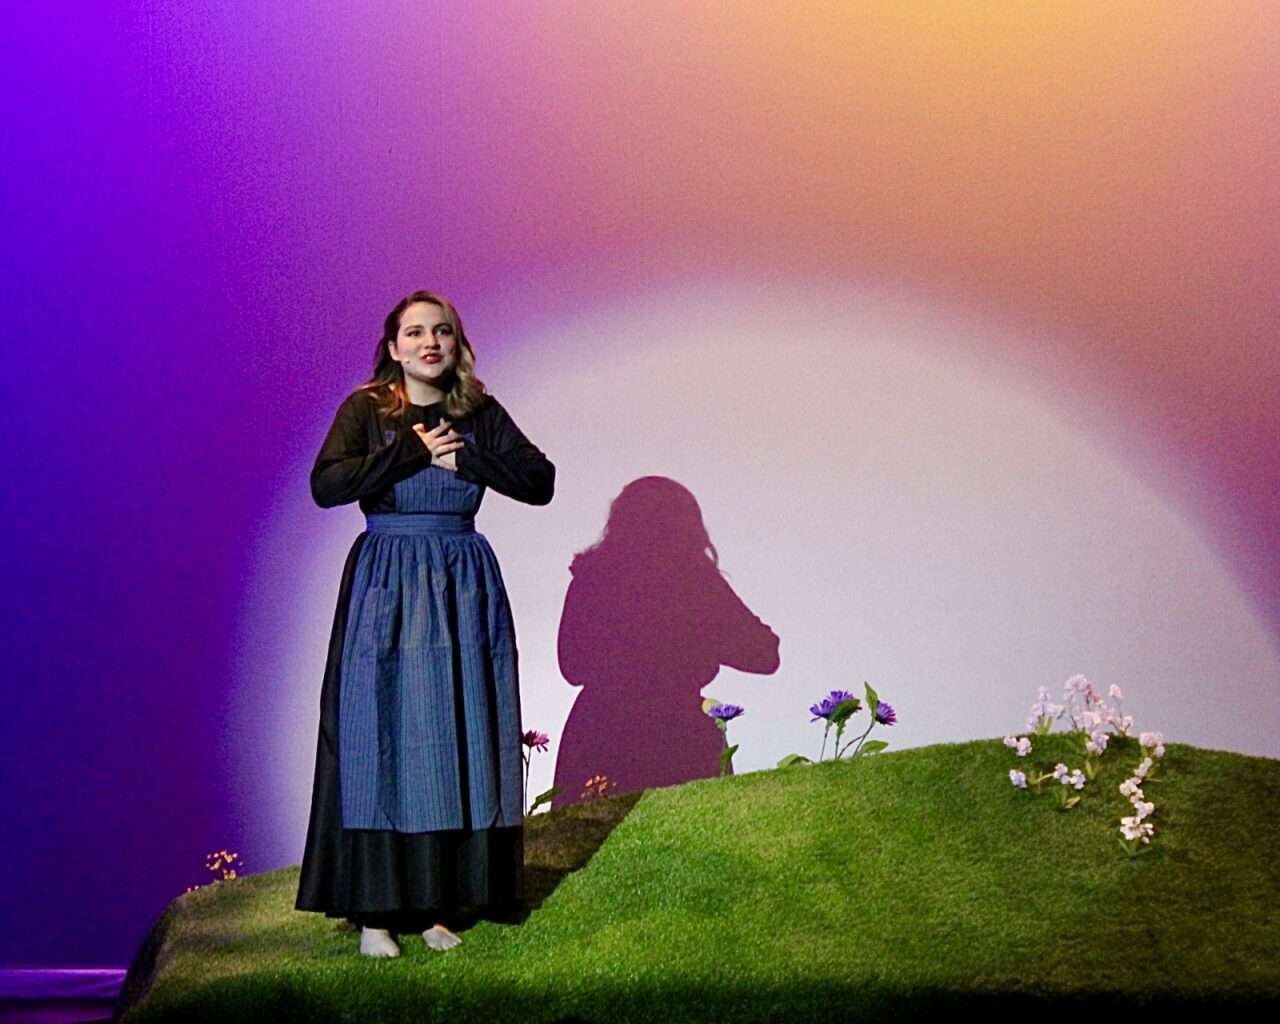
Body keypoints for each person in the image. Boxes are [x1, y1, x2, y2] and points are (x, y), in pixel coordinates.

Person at [295, 290, 555, 957]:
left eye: (442, 331)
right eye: (415, 333)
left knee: (457, 733)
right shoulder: (368, 409)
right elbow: (327, 486)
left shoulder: (478, 411)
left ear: (457, 343)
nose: (429, 342)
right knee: (381, 733)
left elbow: (538, 480)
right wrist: (411, 454)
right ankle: (375, 914)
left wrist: (461, 459)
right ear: (394, 347)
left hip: (462, 582)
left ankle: (443, 903)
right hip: (388, 578)